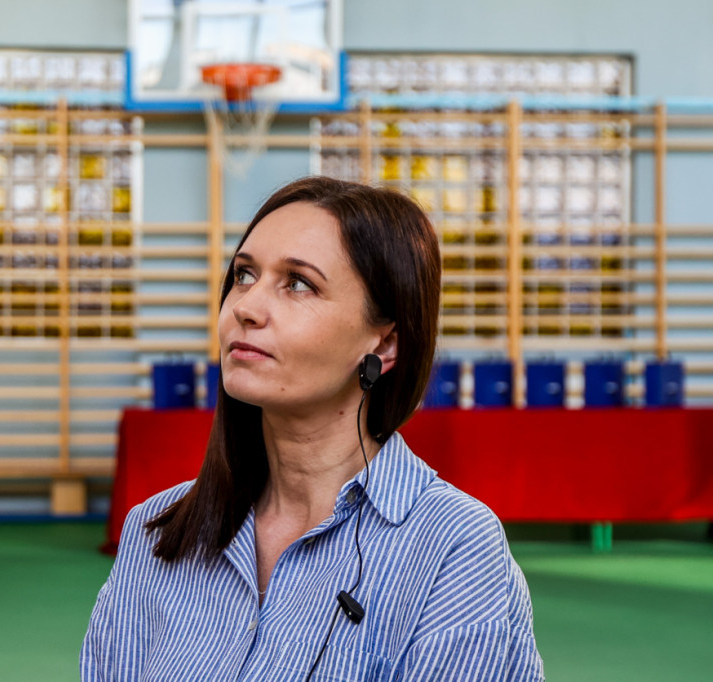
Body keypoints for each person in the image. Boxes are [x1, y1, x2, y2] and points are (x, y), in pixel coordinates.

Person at [82, 176, 544, 681]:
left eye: (298, 283)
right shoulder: (155, 534)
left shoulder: (454, 546)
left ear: (385, 344)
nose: (246, 307)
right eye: (243, 275)